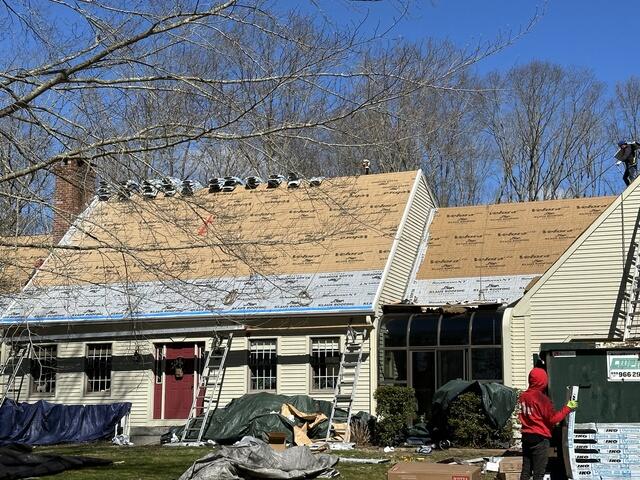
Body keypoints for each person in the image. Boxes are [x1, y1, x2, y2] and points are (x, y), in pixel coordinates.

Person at [518, 367, 578, 480]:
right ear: (543, 381)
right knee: (538, 473)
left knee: (526, 470)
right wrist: (568, 407)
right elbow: (553, 419)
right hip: (540, 438)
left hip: (526, 436)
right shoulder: (542, 399)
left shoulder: (523, 396)